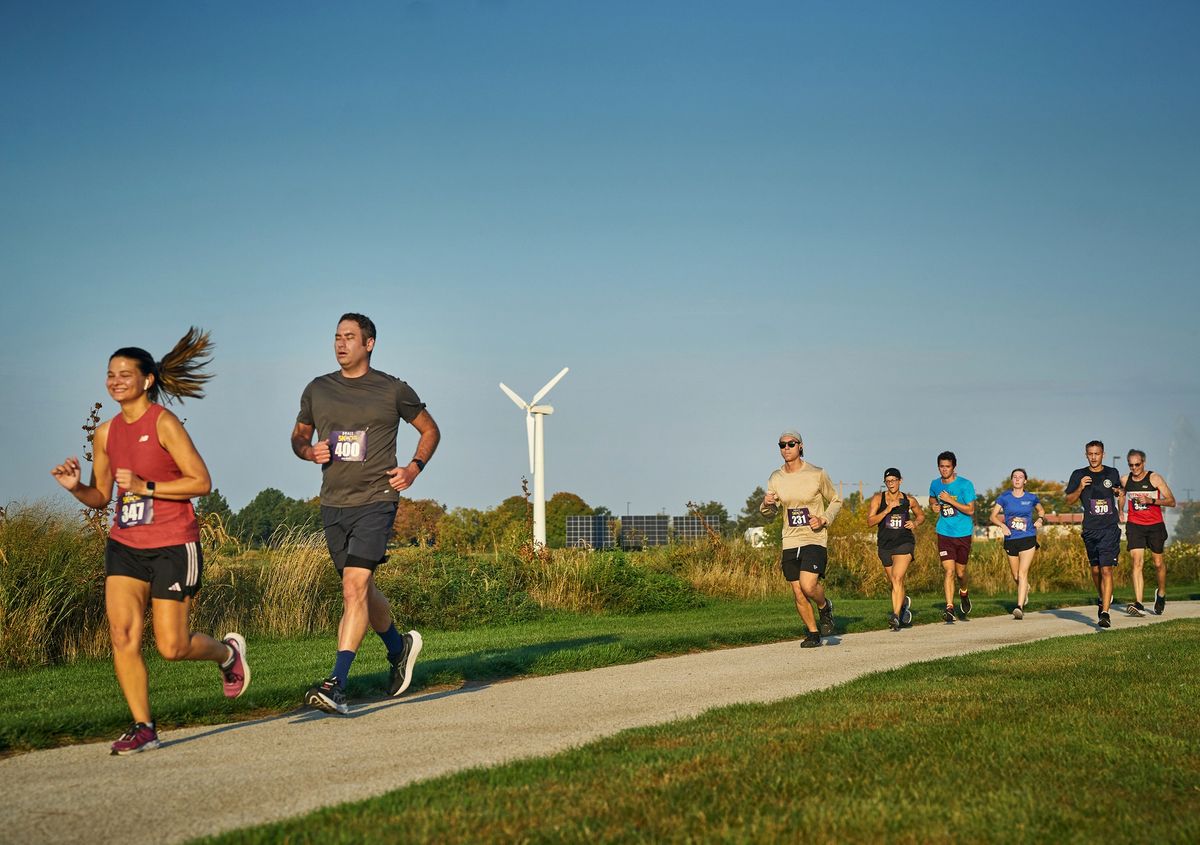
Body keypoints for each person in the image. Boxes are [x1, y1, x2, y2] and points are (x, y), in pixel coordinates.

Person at [50, 329, 249, 755]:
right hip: (125, 544)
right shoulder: (104, 434)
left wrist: (147, 485)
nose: (115, 380)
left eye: (125, 374)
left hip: (174, 544)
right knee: (122, 635)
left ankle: (228, 655)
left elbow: (201, 482)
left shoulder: (164, 423)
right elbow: (102, 497)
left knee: (172, 647)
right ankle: (143, 726)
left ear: (147, 380)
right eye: (110, 374)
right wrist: (75, 487)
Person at [292, 313, 440, 714]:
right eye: (337, 337)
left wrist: (413, 468)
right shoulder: (317, 389)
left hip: (377, 499)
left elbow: (430, 429)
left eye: (350, 337)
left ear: (369, 343)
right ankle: (399, 647)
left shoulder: (393, 390)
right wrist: (308, 451)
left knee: (353, 589)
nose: (341, 344)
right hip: (333, 502)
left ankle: (336, 684)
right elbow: (298, 435)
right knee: (363, 590)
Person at [760, 431, 842, 647]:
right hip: (790, 539)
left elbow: (835, 500)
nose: (786, 448)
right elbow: (770, 512)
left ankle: (825, 606)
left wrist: (824, 519)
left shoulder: (817, 473)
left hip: (813, 537)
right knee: (797, 590)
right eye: (782, 445)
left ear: (801, 446)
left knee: (808, 585)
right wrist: (767, 504)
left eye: (791, 444)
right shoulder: (776, 477)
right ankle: (814, 633)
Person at [1064, 440, 1124, 629]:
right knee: (1096, 570)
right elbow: (1069, 501)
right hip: (1090, 529)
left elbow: (1121, 493)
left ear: (1103, 455)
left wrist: (1118, 494)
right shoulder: (1078, 474)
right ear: (1086, 454)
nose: (1093, 457)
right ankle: (1102, 596)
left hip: (1109, 528)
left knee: (1106, 569)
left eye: (1097, 454)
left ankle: (1105, 613)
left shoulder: (1112, 473)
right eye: (1090, 454)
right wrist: (1080, 487)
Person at [866, 468, 924, 631]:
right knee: (894, 581)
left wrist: (915, 523)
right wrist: (887, 510)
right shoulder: (878, 499)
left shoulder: (909, 500)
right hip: (885, 544)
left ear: (900, 480)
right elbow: (870, 521)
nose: (891, 483)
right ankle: (904, 602)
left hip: (904, 542)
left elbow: (921, 515)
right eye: (888, 481)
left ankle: (896, 616)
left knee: (898, 578)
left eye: (894, 480)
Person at [1121, 449, 1176, 616]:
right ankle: (1138, 603)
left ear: (1143, 463)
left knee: (1158, 563)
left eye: (1137, 464)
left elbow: (1172, 501)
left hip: (1155, 525)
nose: (1134, 468)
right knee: (1137, 563)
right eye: (1131, 465)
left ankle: (1161, 594)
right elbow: (1121, 494)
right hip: (1135, 525)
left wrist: (1151, 500)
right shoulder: (1125, 479)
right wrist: (1120, 510)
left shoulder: (1154, 478)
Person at [990, 468, 1045, 619]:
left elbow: (1041, 511)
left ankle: (1019, 607)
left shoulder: (1031, 498)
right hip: (1011, 539)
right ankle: (1025, 588)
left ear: (1025, 481)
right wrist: (1002, 526)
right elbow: (993, 516)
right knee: (1015, 575)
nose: (1017, 479)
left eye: (1020, 477)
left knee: (1022, 573)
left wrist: (1040, 519)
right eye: (1015, 477)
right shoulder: (1004, 497)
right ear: (1012, 480)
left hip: (1028, 538)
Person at [928, 451, 976, 622]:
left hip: (963, 533)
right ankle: (949, 607)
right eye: (941, 466)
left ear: (954, 467)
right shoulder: (935, 484)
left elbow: (970, 510)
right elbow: (932, 499)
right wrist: (934, 505)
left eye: (947, 466)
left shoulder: (965, 485)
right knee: (949, 571)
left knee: (960, 573)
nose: (944, 470)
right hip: (944, 533)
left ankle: (963, 592)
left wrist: (950, 500)